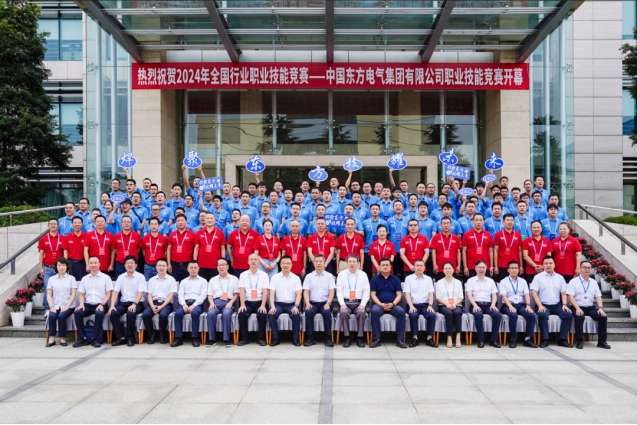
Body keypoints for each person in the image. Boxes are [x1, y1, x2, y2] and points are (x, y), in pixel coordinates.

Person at [530, 256, 573, 348]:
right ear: (543, 265)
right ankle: (545, 339)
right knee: (542, 315)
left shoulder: (560, 278)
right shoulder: (538, 277)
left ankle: (562, 339)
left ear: (554, 265)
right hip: (543, 305)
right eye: (546, 263)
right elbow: (534, 293)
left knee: (568, 315)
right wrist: (540, 305)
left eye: (550, 263)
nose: (548, 265)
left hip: (557, 305)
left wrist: (564, 304)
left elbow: (563, 293)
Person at [566, 261, 611, 349]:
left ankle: (602, 341)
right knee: (579, 316)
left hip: (590, 307)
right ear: (580, 269)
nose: (587, 269)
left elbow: (598, 296)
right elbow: (570, 296)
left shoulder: (593, 282)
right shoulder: (573, 281)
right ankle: (579, 341)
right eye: (585, 267)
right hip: (576, 306)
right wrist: (577, 308)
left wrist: (600, 308)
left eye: (589, 268)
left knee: (603, 316)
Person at [73, 256, 113, 348]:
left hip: (101, 304)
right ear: (88, 264)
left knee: (99, 313)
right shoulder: (85, 278)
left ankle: (95, 338)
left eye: (95, 263)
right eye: (91, 263)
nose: (93, 265)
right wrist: (81, 304)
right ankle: (82, 338)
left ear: (99, 264)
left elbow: (109, 294)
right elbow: (81, 294)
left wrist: (102, 304)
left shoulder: (106, 278)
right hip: (87, 304)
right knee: (77, 313)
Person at [369, 258, 406, 348]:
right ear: (379, 267)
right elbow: (373, 294)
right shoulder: (374, 279)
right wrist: (380, 304)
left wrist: (393, 304)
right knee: (374, 311)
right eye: (383, 265)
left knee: (401, 312)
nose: (385, 267)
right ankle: (377, 339)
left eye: (387, 265)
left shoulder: (396, 279)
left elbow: (399, 295)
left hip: (393, 305)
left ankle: (400, 340)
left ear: (390, 267)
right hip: (379, 305)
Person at [499, 261, 538, 348]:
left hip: (521, 305)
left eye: (516, 268)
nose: (514, 270)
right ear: (508, 270)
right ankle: (513, 339)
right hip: (508, 305)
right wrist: (510, 306)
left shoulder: (523, 281)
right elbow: (503, 296)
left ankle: (527, 339)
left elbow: (527, 295)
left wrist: (528, 306)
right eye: (512, 268)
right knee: (513, 315)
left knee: (531, 315)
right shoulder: (503, 281)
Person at [109, 255, 145, 347]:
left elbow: (141, 293)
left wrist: (134, 304)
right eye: (127, 263)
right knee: (113, 313)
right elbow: (115, 292)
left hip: (137, 303)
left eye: (132, 263)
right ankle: (120, 337)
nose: (130, 265)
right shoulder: (120, 277)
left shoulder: (140, 277)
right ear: (124, 265)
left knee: (130, 313)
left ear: (136, 265)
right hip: (123, 303)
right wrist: (112, 306)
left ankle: (130, 338)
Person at [466, 260, 502, 348]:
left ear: (486, 269)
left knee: (497, 315)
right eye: (479, 267)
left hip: (489, 305)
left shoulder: (491, 281)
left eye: (483, 267)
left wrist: (493, 304)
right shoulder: (471, 280)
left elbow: (494, 295)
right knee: (478, 315)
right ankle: (481, 340)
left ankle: (493, 340)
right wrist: (475, 305)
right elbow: (469, 295)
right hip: (476, 304)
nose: (481, 269)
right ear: (475, 268)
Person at [268, 256, 303, 346]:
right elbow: (271, 294)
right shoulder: (275, 278)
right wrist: (272, 307)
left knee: (296, 315)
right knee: (271, 314)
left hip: (291, 304)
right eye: (283, 263)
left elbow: (299, 294)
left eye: (288, 263)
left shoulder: (296, 278)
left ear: (291, 265)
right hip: (278, 304)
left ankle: (295, 339)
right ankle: (276, 338)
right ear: (280, 265)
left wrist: (296, 306)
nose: (286, 265)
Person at [336, 255, 370, 348]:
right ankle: (347, 337)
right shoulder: (341, 274)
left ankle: (360, 337)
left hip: (358, 303)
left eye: (354, 262)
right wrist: (342, 304)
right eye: (350, 261)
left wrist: (363, 304)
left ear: (358, 263)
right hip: (346, 302)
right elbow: (339, 290)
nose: (352, 263)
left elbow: (366, 291)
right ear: (347, 263)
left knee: (361, 313)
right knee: (343, 313)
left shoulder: (363, 275)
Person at [171, 261, 207, 347]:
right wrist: (184, 305)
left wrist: (194, 305)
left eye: (195, 268)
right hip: (185, 303)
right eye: (191, 268)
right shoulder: (183, 281)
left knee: (195, 313)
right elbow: (180, 295)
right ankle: (178, 338)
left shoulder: (203, 281)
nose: (193, 269)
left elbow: (203, 295)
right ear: (187, 269)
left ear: (198, 268)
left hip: (197, 303)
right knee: (178, 313)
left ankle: (195, 338)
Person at [303, 255, 336, 347]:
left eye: (320, 261)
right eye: (316, 261)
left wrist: (328, 303)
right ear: (313, 263)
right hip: (312, 303)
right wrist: (307, 303)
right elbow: (305, 292)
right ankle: (310, 337)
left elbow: (332, 291)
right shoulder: (309, 276)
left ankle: (327, 337)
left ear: (324, 262)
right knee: (309, 312)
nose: (318, 263)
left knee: (326, 313)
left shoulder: (329, 276)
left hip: (325, 303)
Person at [237, 254, 270, 346]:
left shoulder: (264, 275)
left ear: (259, 262)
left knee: (262, 314)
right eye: (251, 259)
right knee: (242, 314)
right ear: (248, 262)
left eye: (255, 259)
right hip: (247, 302)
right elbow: (242, 290)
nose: (253, 261)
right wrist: (242, 304)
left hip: (260, 302)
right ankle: (244, 338)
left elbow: (265, 291)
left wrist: (263, 305)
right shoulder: (243, 275)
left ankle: (261, 338)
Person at [142, 259, 177, 344]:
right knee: (145, 314)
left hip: (166, 303)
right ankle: (151, 335)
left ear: (167, 267)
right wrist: (152, 306)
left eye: (163, 266)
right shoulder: (151, 280)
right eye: (159, 266)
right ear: (156, 267)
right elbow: (149, 295)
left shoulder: (171, 279)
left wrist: (161, 307)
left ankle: (162, 335)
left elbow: (171, 296)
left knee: (163, 315)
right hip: (153, 303)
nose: (161, 268)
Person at [404, 259, 437, 348]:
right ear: (414, 267)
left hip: (425, 305)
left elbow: (431, 294)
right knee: (413, 315)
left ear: (424, 267)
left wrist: (430, 305)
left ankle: (429, 338)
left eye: (421, 266)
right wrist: (411, 306)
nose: (419, 267)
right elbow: (407, 294)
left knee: (432, 315)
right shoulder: (409, 278)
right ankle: (415, 338)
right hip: (413, 305)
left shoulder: (428, 279)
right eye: (417, 265)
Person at [206, 258, 239, 347]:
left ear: (227, 266)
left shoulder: (234, 279)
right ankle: (212, 339)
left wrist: (231, 303)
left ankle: (226, 339)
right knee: (210, 313)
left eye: (223, 265)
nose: (221, 267)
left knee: (226, 314)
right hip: (216, 302)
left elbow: (236, 294)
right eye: (219, 265)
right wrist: (212, 303)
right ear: (217, 267)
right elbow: (209, 294)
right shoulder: (213, 280)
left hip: (228, 302)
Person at [45, 257, 77, 347]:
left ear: (67, 267)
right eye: (59, 265)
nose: (61, 267)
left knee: (61, 316)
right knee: (52, 315)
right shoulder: (52, 279)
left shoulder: (71, 278)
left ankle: (62, 337)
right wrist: (51, 306)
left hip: (69, 306)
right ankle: (52, 338)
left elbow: (73, 294)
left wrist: (67, 306)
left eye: (63, 265)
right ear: (56, 267)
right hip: (55, 305)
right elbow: (49, 295)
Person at [435, 262, 464, 348]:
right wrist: (447, 304)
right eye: (446, 268)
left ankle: (458, 337)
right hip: (443, 305)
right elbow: (438, 298)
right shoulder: (439, 282)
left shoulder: (458, 282)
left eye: (449, 268)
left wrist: (454, 304)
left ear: (453, 270)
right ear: (443, 270)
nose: (448, 270)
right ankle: (449, 337)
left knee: (457, 313)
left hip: (457, 304)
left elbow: (461, 297)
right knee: (449, 313)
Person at [39, 218, 64, 311]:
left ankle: (59, 307)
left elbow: (65, 253)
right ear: (48, 226)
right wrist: (41, 268)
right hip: (47, 268)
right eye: (51, 224)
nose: (53, 225)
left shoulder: (62, 238)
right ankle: (47, 309)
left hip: (59, 269)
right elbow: (41, 254)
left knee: (60, 289)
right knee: (47, 289)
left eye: (55, 224)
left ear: (58, 226)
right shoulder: (43, 239)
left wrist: (65, 267)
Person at [194, 212, 226, 280]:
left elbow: (223, 248)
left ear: (214, 220)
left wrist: (222, 262)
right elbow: (196, 248)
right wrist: (194, 262)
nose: (209, 220)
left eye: (211, 218)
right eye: (207, 218)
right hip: (201, 264)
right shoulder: (199, 232)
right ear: (205, 220)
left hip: (215, 265)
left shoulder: (220, 233)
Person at [462, 213, 494, 278]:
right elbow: (464, 251)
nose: (478, 222)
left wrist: (491, 266)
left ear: (483, 221)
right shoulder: (467, 234)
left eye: (480, 220)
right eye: (476, 220)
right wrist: (465, 267)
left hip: (485, 266)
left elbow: (490, 251)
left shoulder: (488, 234)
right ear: (473, 221)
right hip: (471, 266)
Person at [167, 214, 197, 282]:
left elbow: (195, 248)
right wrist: (169, 264)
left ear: (186, 222)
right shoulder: (172, 234)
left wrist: (194, 263)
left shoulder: (192, 234)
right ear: (176, 223)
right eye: (178, 221)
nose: (180, 222)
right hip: (175, 264)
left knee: (187, 283)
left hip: (187, 264)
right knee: (175, 283)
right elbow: (168, 249)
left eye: (182, 220)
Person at [493, 214, 523, 282]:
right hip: (502, 265)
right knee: (502, 284)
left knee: (514, 284)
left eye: (512, 220)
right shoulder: (498, 234)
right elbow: (495, 251)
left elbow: (520, 251)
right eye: (508, 220)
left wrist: (521, 265)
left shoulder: (518, 234)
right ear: (503, 221)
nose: (510, 222)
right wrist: (496, 266)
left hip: (515, 265)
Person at [63, 217, 87, 281]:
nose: (77, 224)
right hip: (71, 263)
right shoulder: (67, 237)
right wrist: (66, 265)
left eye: (79, 223)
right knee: (71, 282)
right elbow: (65, 251)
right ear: (72, 224)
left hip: (83, 263)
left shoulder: (86, 236)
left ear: (82, 224)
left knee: (82, 282)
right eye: (75, 223)